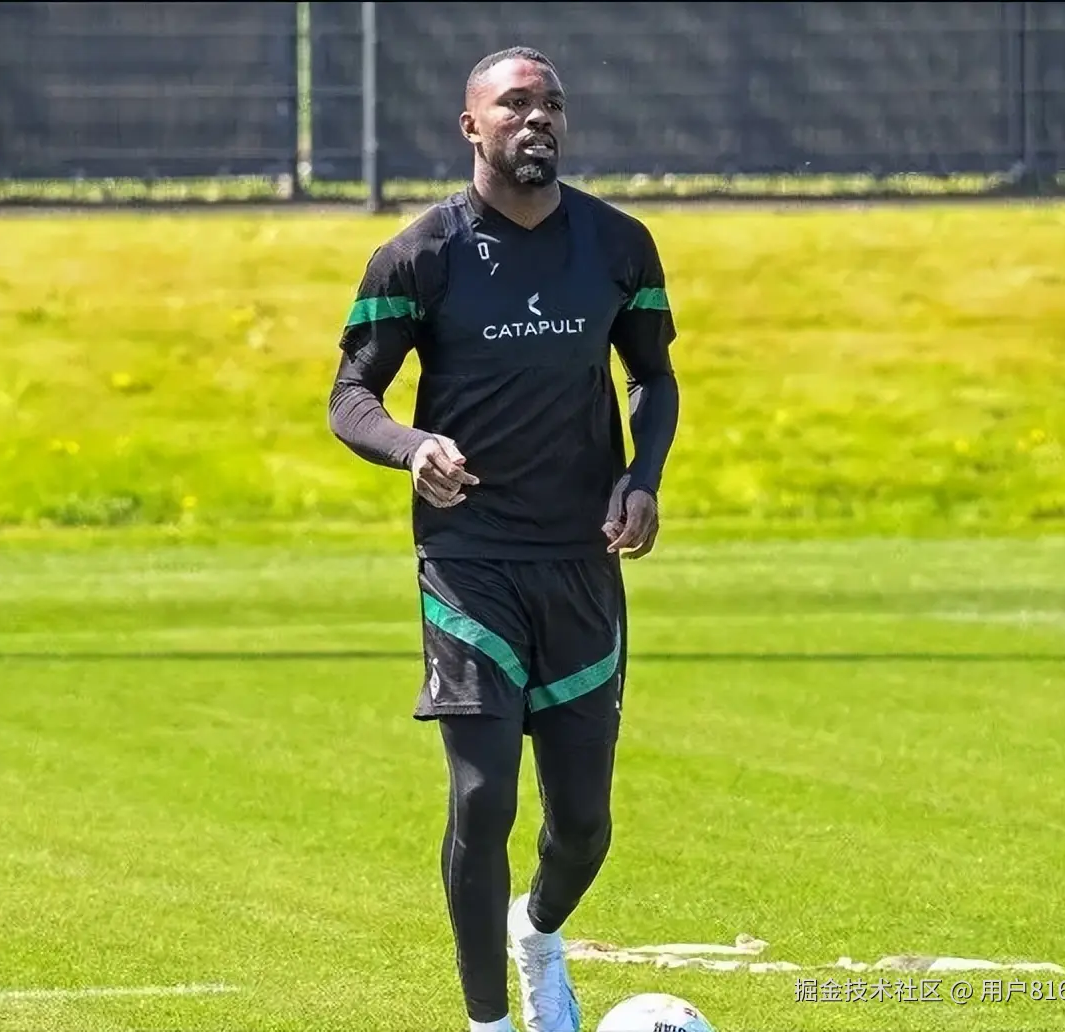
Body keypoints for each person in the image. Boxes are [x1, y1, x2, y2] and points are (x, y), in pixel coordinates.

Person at [327, 45, 680, 1032]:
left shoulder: (618, 245)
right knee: (483, 799)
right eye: (514, 103)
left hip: (581, 565)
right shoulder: (418, 255)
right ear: (470, 126)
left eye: (551, 104)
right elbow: (350, 396)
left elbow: (653, 377)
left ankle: (538, 931)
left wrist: (642, 478)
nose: (537, 119)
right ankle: (488, 1023)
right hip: (469, 562)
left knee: (584, 829)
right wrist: (412, 448)